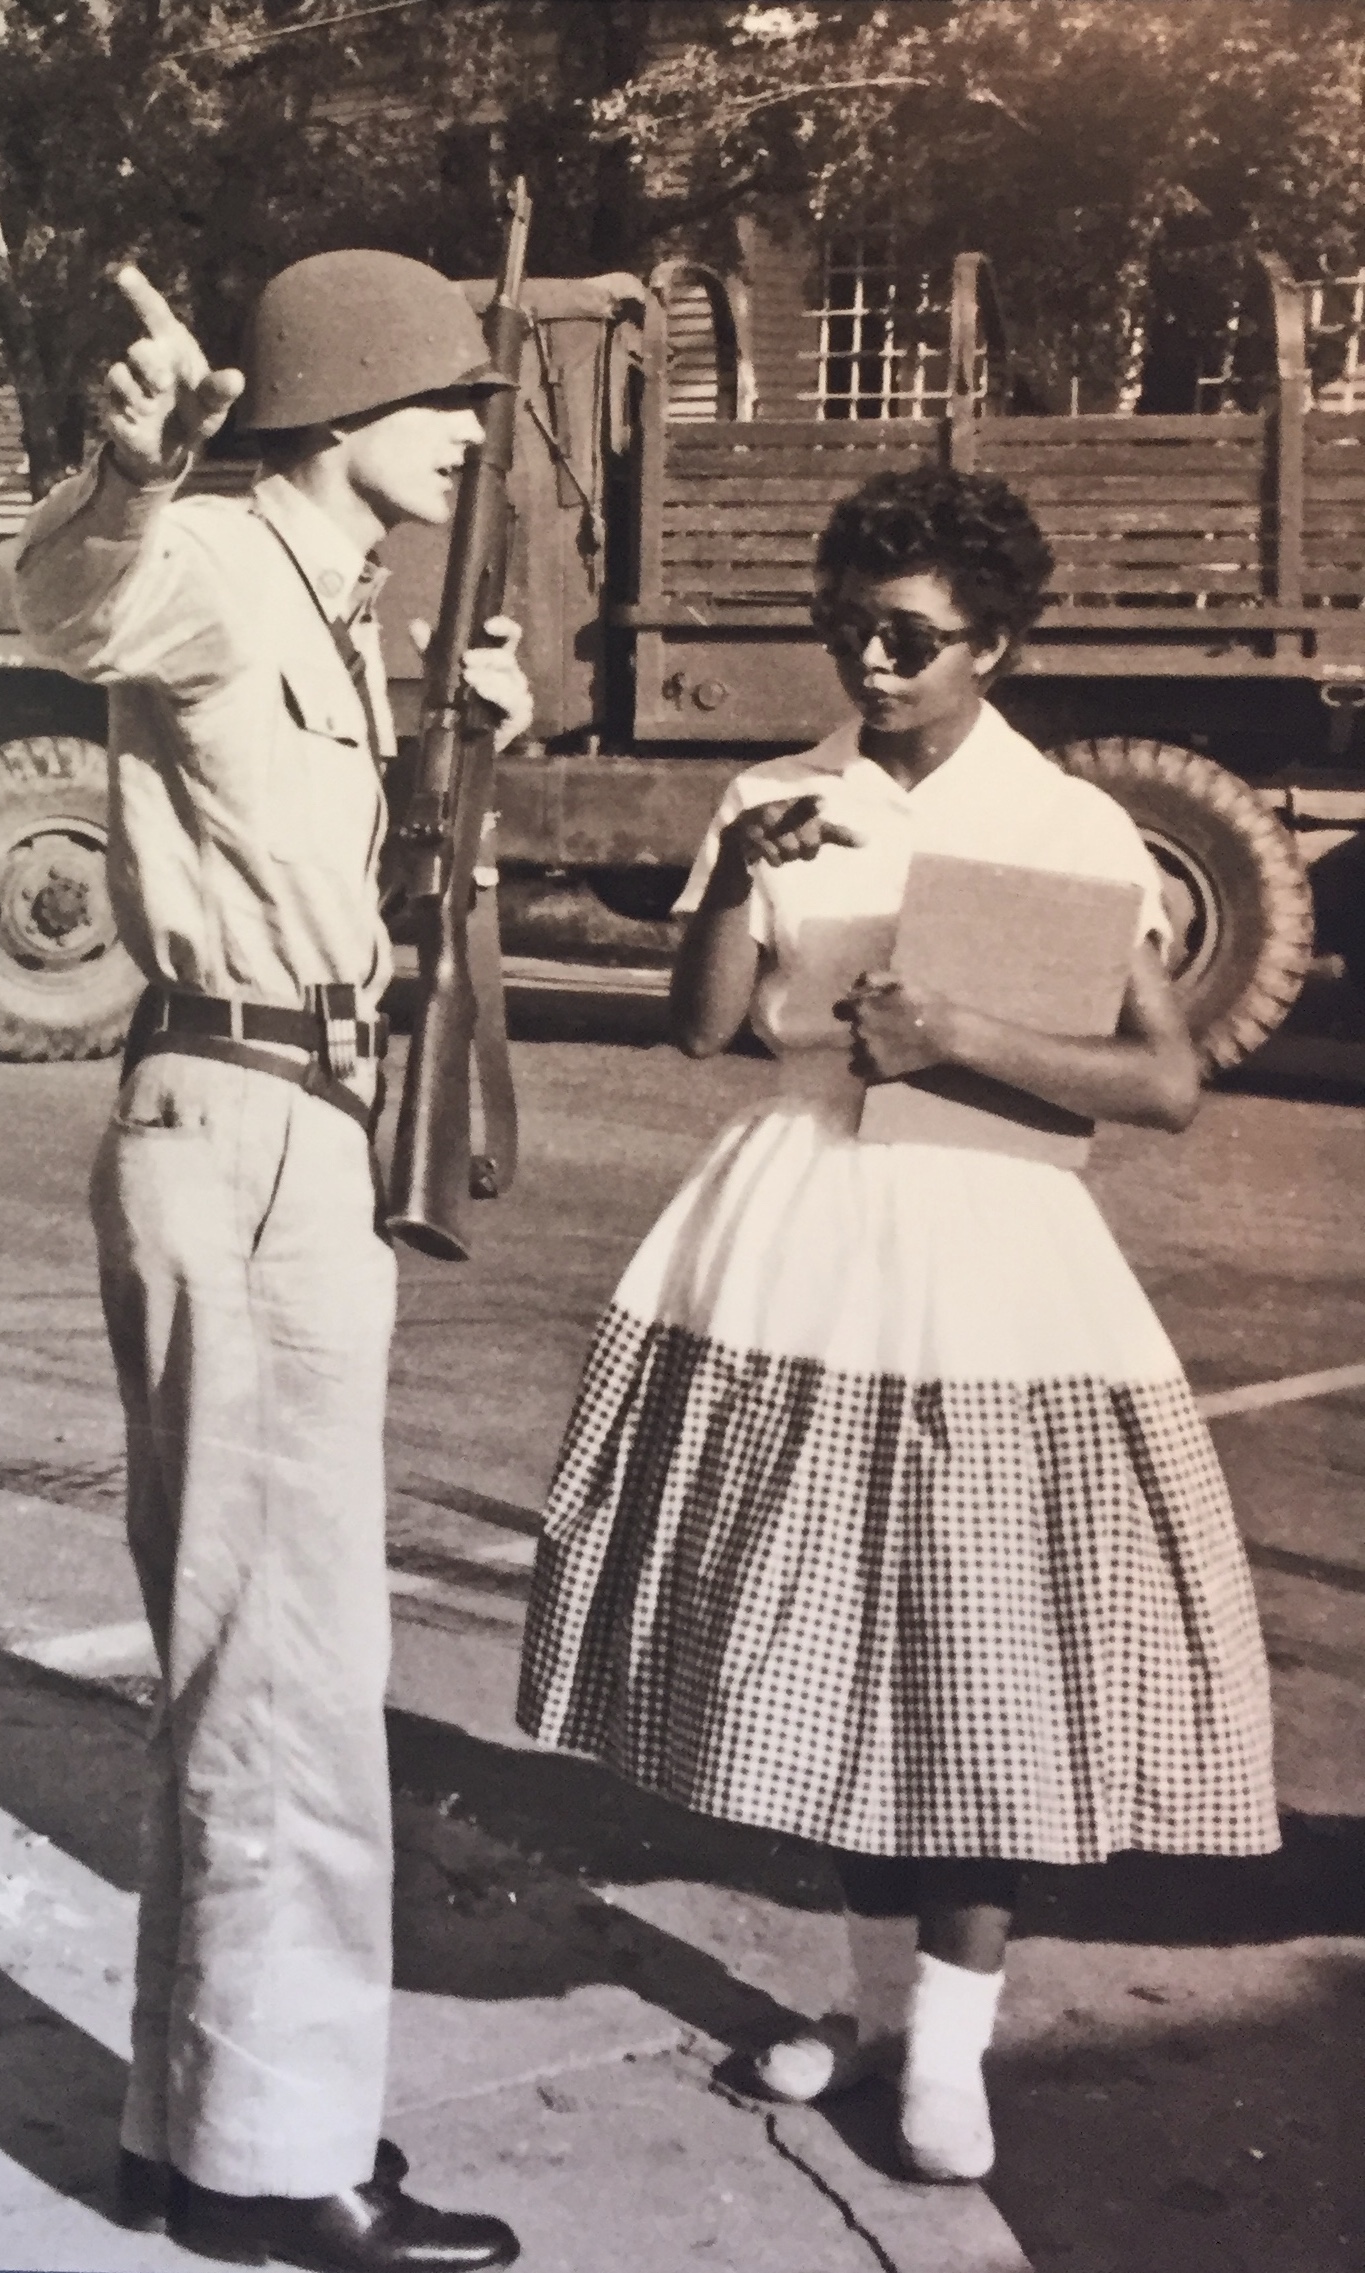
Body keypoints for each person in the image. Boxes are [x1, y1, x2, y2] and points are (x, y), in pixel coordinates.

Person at [517, 464, 1277, 2187]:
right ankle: (870, 2018)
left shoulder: (1067, 824)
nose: (870, 661)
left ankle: (948, 2053)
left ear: (992, 644)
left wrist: (958, 1034)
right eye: (847, 628)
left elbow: (1163, 1081)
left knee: (971, 1653)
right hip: (796, 1242)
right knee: (831, 1649)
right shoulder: (777, 793)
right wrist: (735, 878)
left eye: (910, 636)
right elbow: (704, 1029)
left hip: (987, 1253)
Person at [16, 251, 530, 2270]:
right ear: (340, 406)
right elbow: (78, 606)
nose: (470, 435)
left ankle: (192, 2117)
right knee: (292, 1667)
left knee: (256, 1649)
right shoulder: (223, 556)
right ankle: (271, 2159)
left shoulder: (341, 594)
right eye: (443, 401)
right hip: (239, 1119)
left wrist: (468, 750)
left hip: (293, 1116)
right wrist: (131, 471)